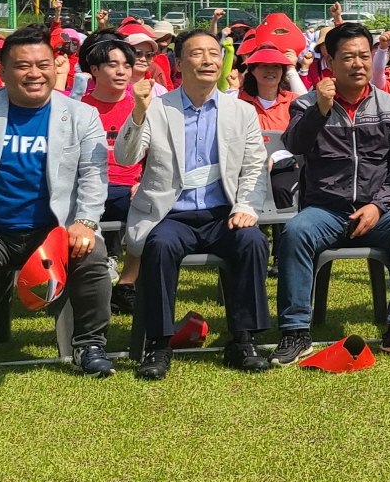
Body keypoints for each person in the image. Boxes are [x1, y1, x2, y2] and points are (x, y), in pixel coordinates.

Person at [0, 25, 116, 384]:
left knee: (93, 257)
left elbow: (94, 174)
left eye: (43, 64)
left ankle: (89, 345)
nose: (34, 73)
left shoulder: (80, 114)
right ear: (4, 70)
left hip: (54, 228)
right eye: (22, 66)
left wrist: (86, 222)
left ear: (55, 67)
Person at [114, 29, 274, 378]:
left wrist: (246, 207)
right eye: (197, 53)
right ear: (179, 62)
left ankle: (243, 340)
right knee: (159, 245)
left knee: (253, 241)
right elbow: (125, 158)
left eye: (214, 53)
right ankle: (158, 345)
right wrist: (138, 113)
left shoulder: (240, 111)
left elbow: (254, 167)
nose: (208, 60)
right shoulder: (157, 107)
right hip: (170, 214)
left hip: (223, 213)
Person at [272, 22, 390, 364]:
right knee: (297, 232)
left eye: (364, 55)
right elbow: (295, 145)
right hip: (326, 210)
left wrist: (379, 206)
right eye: (348, 57)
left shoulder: (389, 107)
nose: (358, 64)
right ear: (329, 59)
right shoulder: (306, 104)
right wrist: (321, 109)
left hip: (379, 211)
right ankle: (295, 331)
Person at [76, 34, 145, 315]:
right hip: (86, 188)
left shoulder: (141, 107)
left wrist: (144, 182)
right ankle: (97, 274)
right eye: (113, 65)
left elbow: (157, 155)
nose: (121, 71)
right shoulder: (77, 109)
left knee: (152, 208)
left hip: (129, 186)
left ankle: (126, 284)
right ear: (94, 70)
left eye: (127, 65)